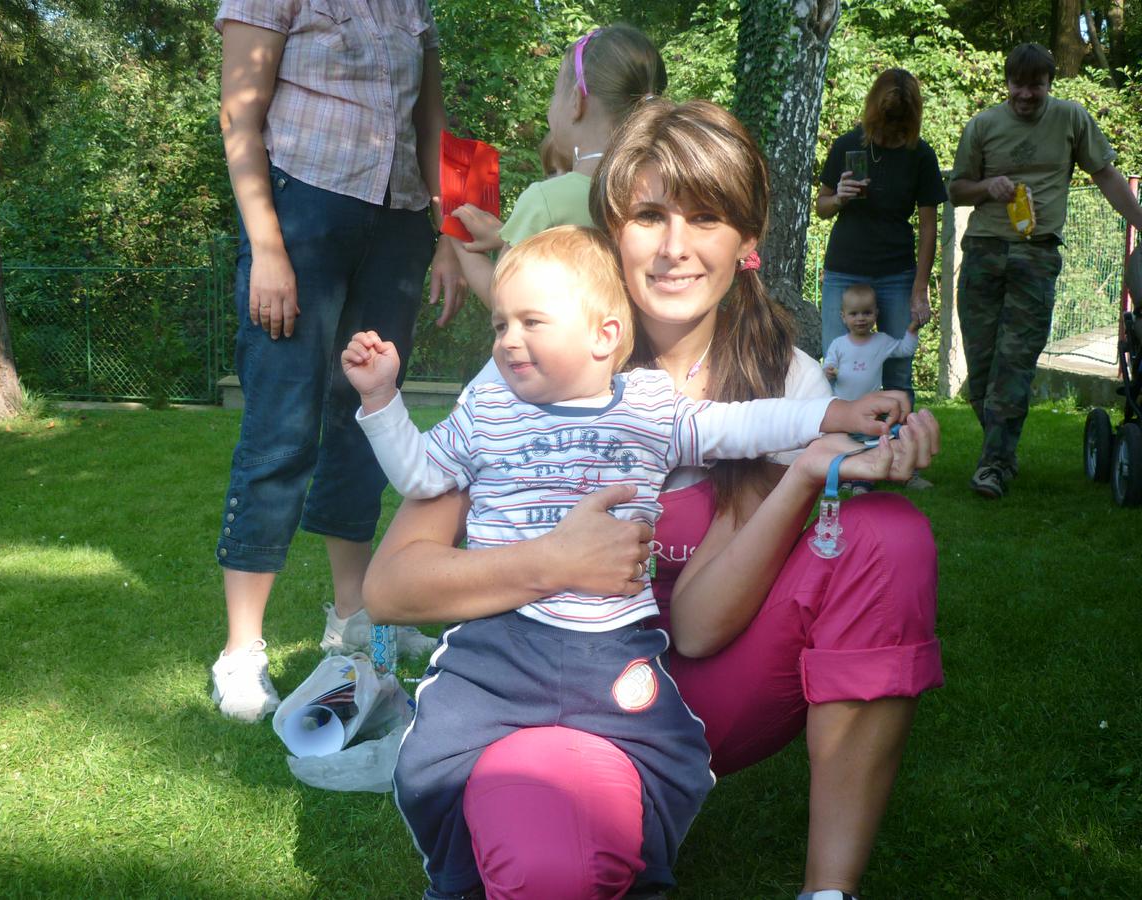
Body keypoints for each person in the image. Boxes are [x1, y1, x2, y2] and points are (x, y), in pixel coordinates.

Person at [362, 99, 943, 900]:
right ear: (613, 228)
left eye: (705, 217)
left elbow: (698, 628)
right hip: (540, 683)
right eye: (648, 216)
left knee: (890, 536)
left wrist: (812, 469)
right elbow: (391, 588)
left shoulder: (788, 382)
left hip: (685, 687)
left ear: (746, 239)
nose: (674, 247)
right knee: (550, 865)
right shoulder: (538, 356)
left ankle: (828, 892)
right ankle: (564, 812)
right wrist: (551, 561)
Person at [208, 0, 466, 722]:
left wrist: (447, 233)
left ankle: (353, 616)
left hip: (398, 225)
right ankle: (241, 650)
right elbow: (239, 117)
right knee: (282, 426)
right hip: (301, 214)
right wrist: (267, 248)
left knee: (365, 420)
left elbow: (433, 127)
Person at [949, 42, 1142, 499]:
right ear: (1007, 82)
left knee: (1014, 365)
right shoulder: (983, 125)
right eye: (1018, 85)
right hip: (982, 252)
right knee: (982, 371)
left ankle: (993, 466)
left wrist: (1141, 221)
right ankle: (1000, 448)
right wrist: (987, 187)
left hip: (1036, 256)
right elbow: (956, 190)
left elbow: (1106, 175)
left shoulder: (1072, 119)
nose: (1025, 95)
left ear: (1050, 83)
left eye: (1035, 85)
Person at [446, 24, 667, 307]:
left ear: (576, 101)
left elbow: (502, 298)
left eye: (554, 92)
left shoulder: (546, 200)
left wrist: (456, 238)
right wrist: (503, 235)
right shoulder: (658, 194)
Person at [816, 68, 947, 407]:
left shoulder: (921, 155)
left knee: (898, 372)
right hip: (844, 270)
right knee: (835, 371)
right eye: (885, 123)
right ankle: (838, 440)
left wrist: (919, 289)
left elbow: (929, 226)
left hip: (896, 274)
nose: (890, 135)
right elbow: (821, 206)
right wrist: (839, 198)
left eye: (899, 126)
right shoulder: (847, 145)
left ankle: (897, 441)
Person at [824, 283, 921, 402]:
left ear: (876, 314)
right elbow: (829, 364)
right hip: (842, 404)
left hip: (871, 405)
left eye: (867, 313)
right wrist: (828, 371)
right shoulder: (838, 344)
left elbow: (905, 350)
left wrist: (912, 330)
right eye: (854, 314)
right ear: (843, 317)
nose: (861, 318)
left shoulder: (882, 341)